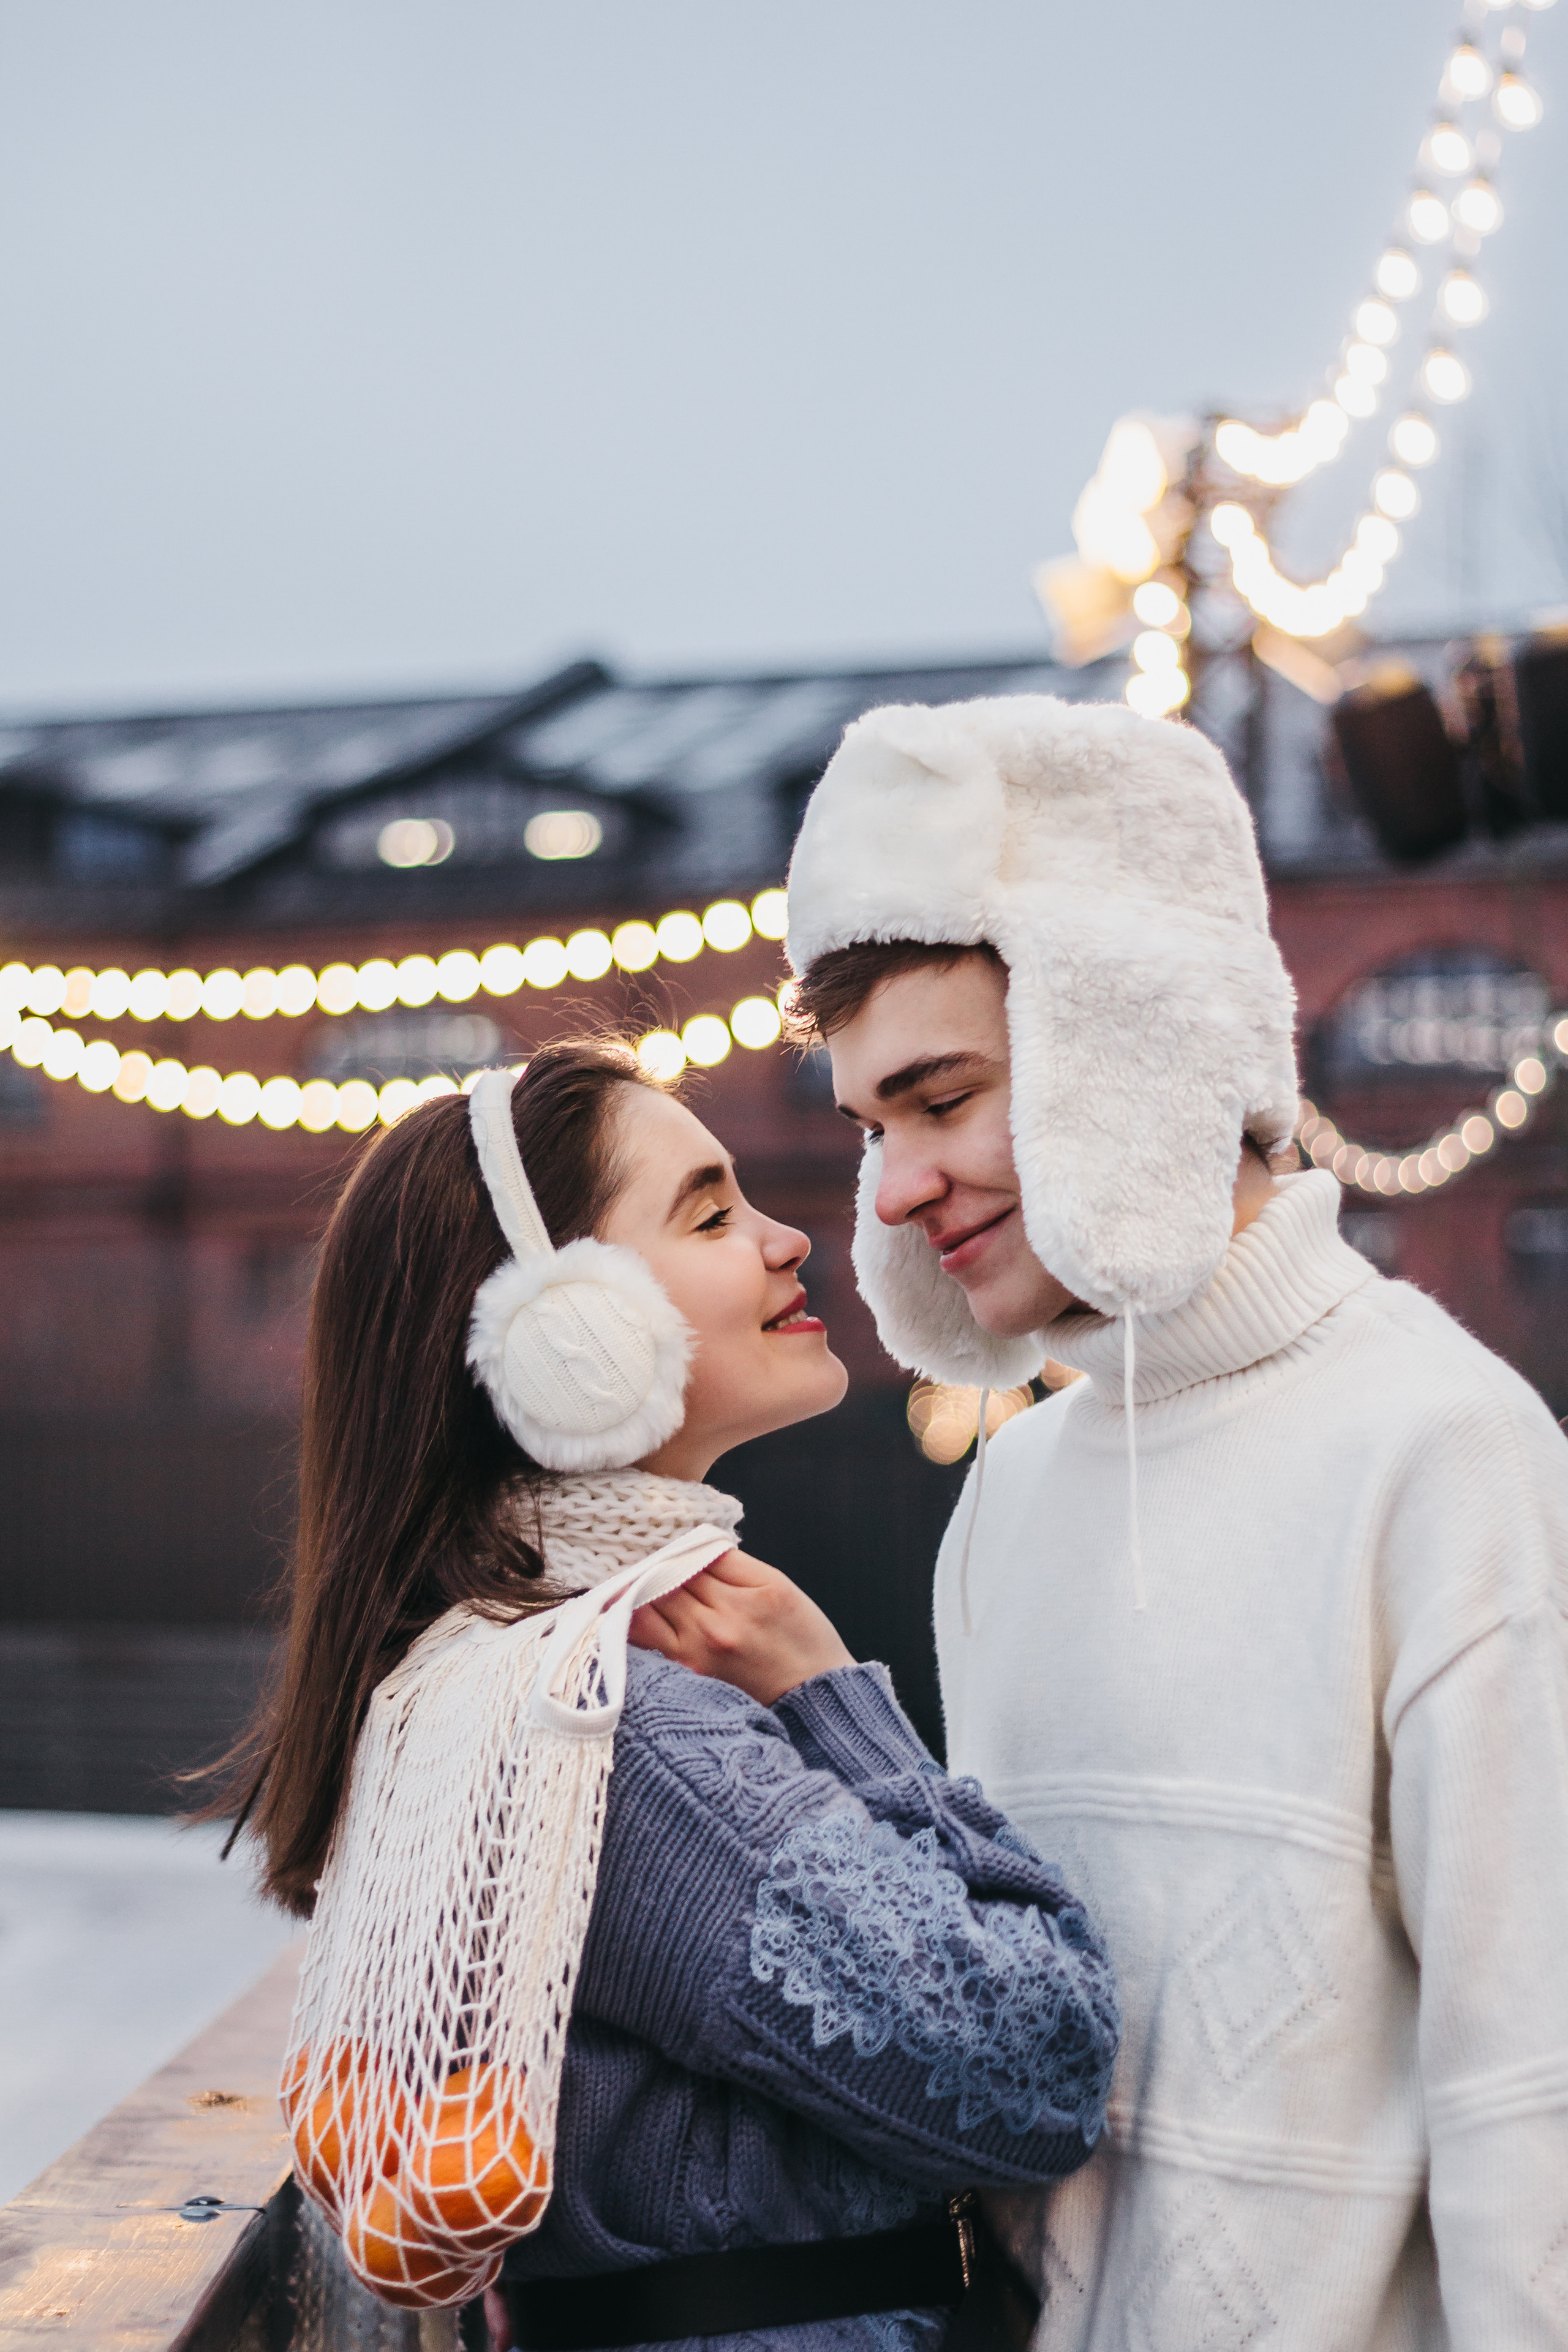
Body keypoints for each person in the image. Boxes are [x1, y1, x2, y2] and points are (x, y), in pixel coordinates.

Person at [785, 692, 1568, 2350]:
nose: (898, 1186)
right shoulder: (1009, 1490)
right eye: (871, 1128)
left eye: (940, 1099)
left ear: (1128, 1046)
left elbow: (1535, 2086)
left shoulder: (1441, 1450)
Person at [223, 1038, 1119, 2352]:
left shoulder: (468, 1680)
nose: (786, 1241)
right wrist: (834, 1705)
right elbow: (1030, 2068)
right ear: (560, 1336)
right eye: (708, 1213)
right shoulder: (618, 1740)